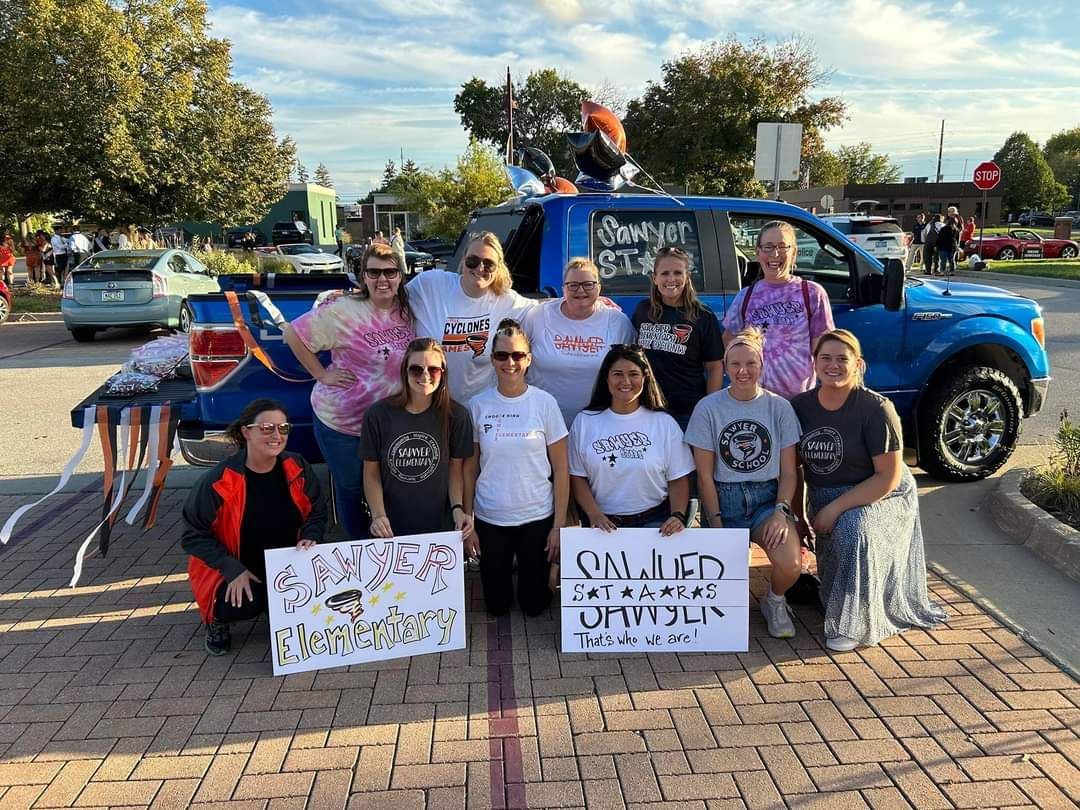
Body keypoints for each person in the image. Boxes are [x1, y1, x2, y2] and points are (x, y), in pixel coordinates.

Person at [791, 330, 946, 651]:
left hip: (879, 494)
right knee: (835, 576)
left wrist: (835, 509)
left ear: (858, 364)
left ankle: (855, 624)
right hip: (824, 495)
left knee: (852, 528)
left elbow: (887, 477)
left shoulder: (877, 408)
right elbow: (793, 469)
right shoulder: (799, 407)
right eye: (825, 358)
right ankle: (848, 600)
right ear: (814, 363)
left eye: (842, 359)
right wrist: (798, 516)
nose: (833, 365)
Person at [283, 242, 414, 539]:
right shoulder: (344, 311)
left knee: (387, 489)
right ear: (363, 276)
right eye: (374, 272)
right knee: (352, 489)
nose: (383, 280)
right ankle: (357, 550)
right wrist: (320, 374)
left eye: (390, 272)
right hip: (343, 424)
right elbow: (293, 333)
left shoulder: (407, 310)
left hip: (388, 425)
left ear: (400, 276)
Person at [181, 398, 326, 656]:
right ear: (247, 432)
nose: (276, 435)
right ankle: (217, 621)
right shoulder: (218, 481)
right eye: (267, 428)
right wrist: (231, 569)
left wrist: (311, 536)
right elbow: (193, 536)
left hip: (283, 566)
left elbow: (317, 511)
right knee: (246, 603)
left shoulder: (297, 466)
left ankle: (276, 605)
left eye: (283, 428)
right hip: (235, 568)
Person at [686, 328, 802, 638]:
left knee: (791, 564)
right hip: (723, 498)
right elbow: (705, 476)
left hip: (766, 498)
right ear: (724, 367)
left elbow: (789, 472)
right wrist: (718, 522)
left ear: (762, 365)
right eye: (735, 364)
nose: (743, 371)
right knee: (723, 588)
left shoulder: (779, 408)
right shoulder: (708, 408)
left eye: (750, 363)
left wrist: (781, 510)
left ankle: (775, 600)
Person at [464, 319, 569, 616]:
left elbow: (561, 469)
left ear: (529, 359)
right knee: (496, 607)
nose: (510, 362)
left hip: (536, 516)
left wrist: (558, 526)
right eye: (502, 355)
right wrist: (469, 522)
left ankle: (542, 574)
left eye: (518, 355)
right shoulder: (478, 405)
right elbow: (469, 470)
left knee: (533, 606)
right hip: (491, 517)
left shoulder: (545, 403)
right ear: (492, 359)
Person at [569, 344, 694, 534]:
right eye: (617, 374)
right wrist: (594, 515)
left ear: (645, 378)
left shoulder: (664, 423)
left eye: (634, 374)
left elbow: (678, 477)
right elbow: (577, 476)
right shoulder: (584, 422)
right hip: (601, 524)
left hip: (656, 523)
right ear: (606, 378)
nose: (625, 381)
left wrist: (677, 515)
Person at [360, 337, 475, 541]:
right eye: (416, 369)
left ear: (443, 373)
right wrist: (378, 515)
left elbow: (455, 469)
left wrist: (458, 508)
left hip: (441, 529)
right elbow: (371, 473)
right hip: (390, 530)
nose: (425, 375)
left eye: (433, 369)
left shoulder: (457, 416)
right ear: (405, 371)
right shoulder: (377, 415)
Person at [407, 231, 538, 404]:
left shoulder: (508, 301)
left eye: (488, 264)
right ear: (463, 260)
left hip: (481, 410)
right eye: (473, 261)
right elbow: (386, 302)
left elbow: (548, 314)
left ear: (498, 268)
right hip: (432, 405)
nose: (479, 268)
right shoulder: (431, 285)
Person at [722, 221, 835, 401]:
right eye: (768, 247)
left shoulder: (812, 293)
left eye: (782, 246)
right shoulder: (745, 297)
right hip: (757, 402)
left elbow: (823, 350)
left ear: (794, 252)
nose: (775, 254)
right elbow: (729, 340)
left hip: (799, 401)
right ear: (758, 252)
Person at [524, 257, 636, 427]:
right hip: (542, 421)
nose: (580, 290)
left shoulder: (617, 321)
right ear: (563, 288)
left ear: (598, 287)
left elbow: (631, 370)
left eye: (588, 284)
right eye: (573, 285)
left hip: (598, 423)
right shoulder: (538, 316)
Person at [631, 246, 724, 430]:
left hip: (688, 411)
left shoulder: (702, 316)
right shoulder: (643, 310)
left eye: (677, 273)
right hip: (649, 408)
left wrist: (708, 407)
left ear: (687, 277)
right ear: (654, 278)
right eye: (664, 273)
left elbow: (714, 367)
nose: (671, 279)